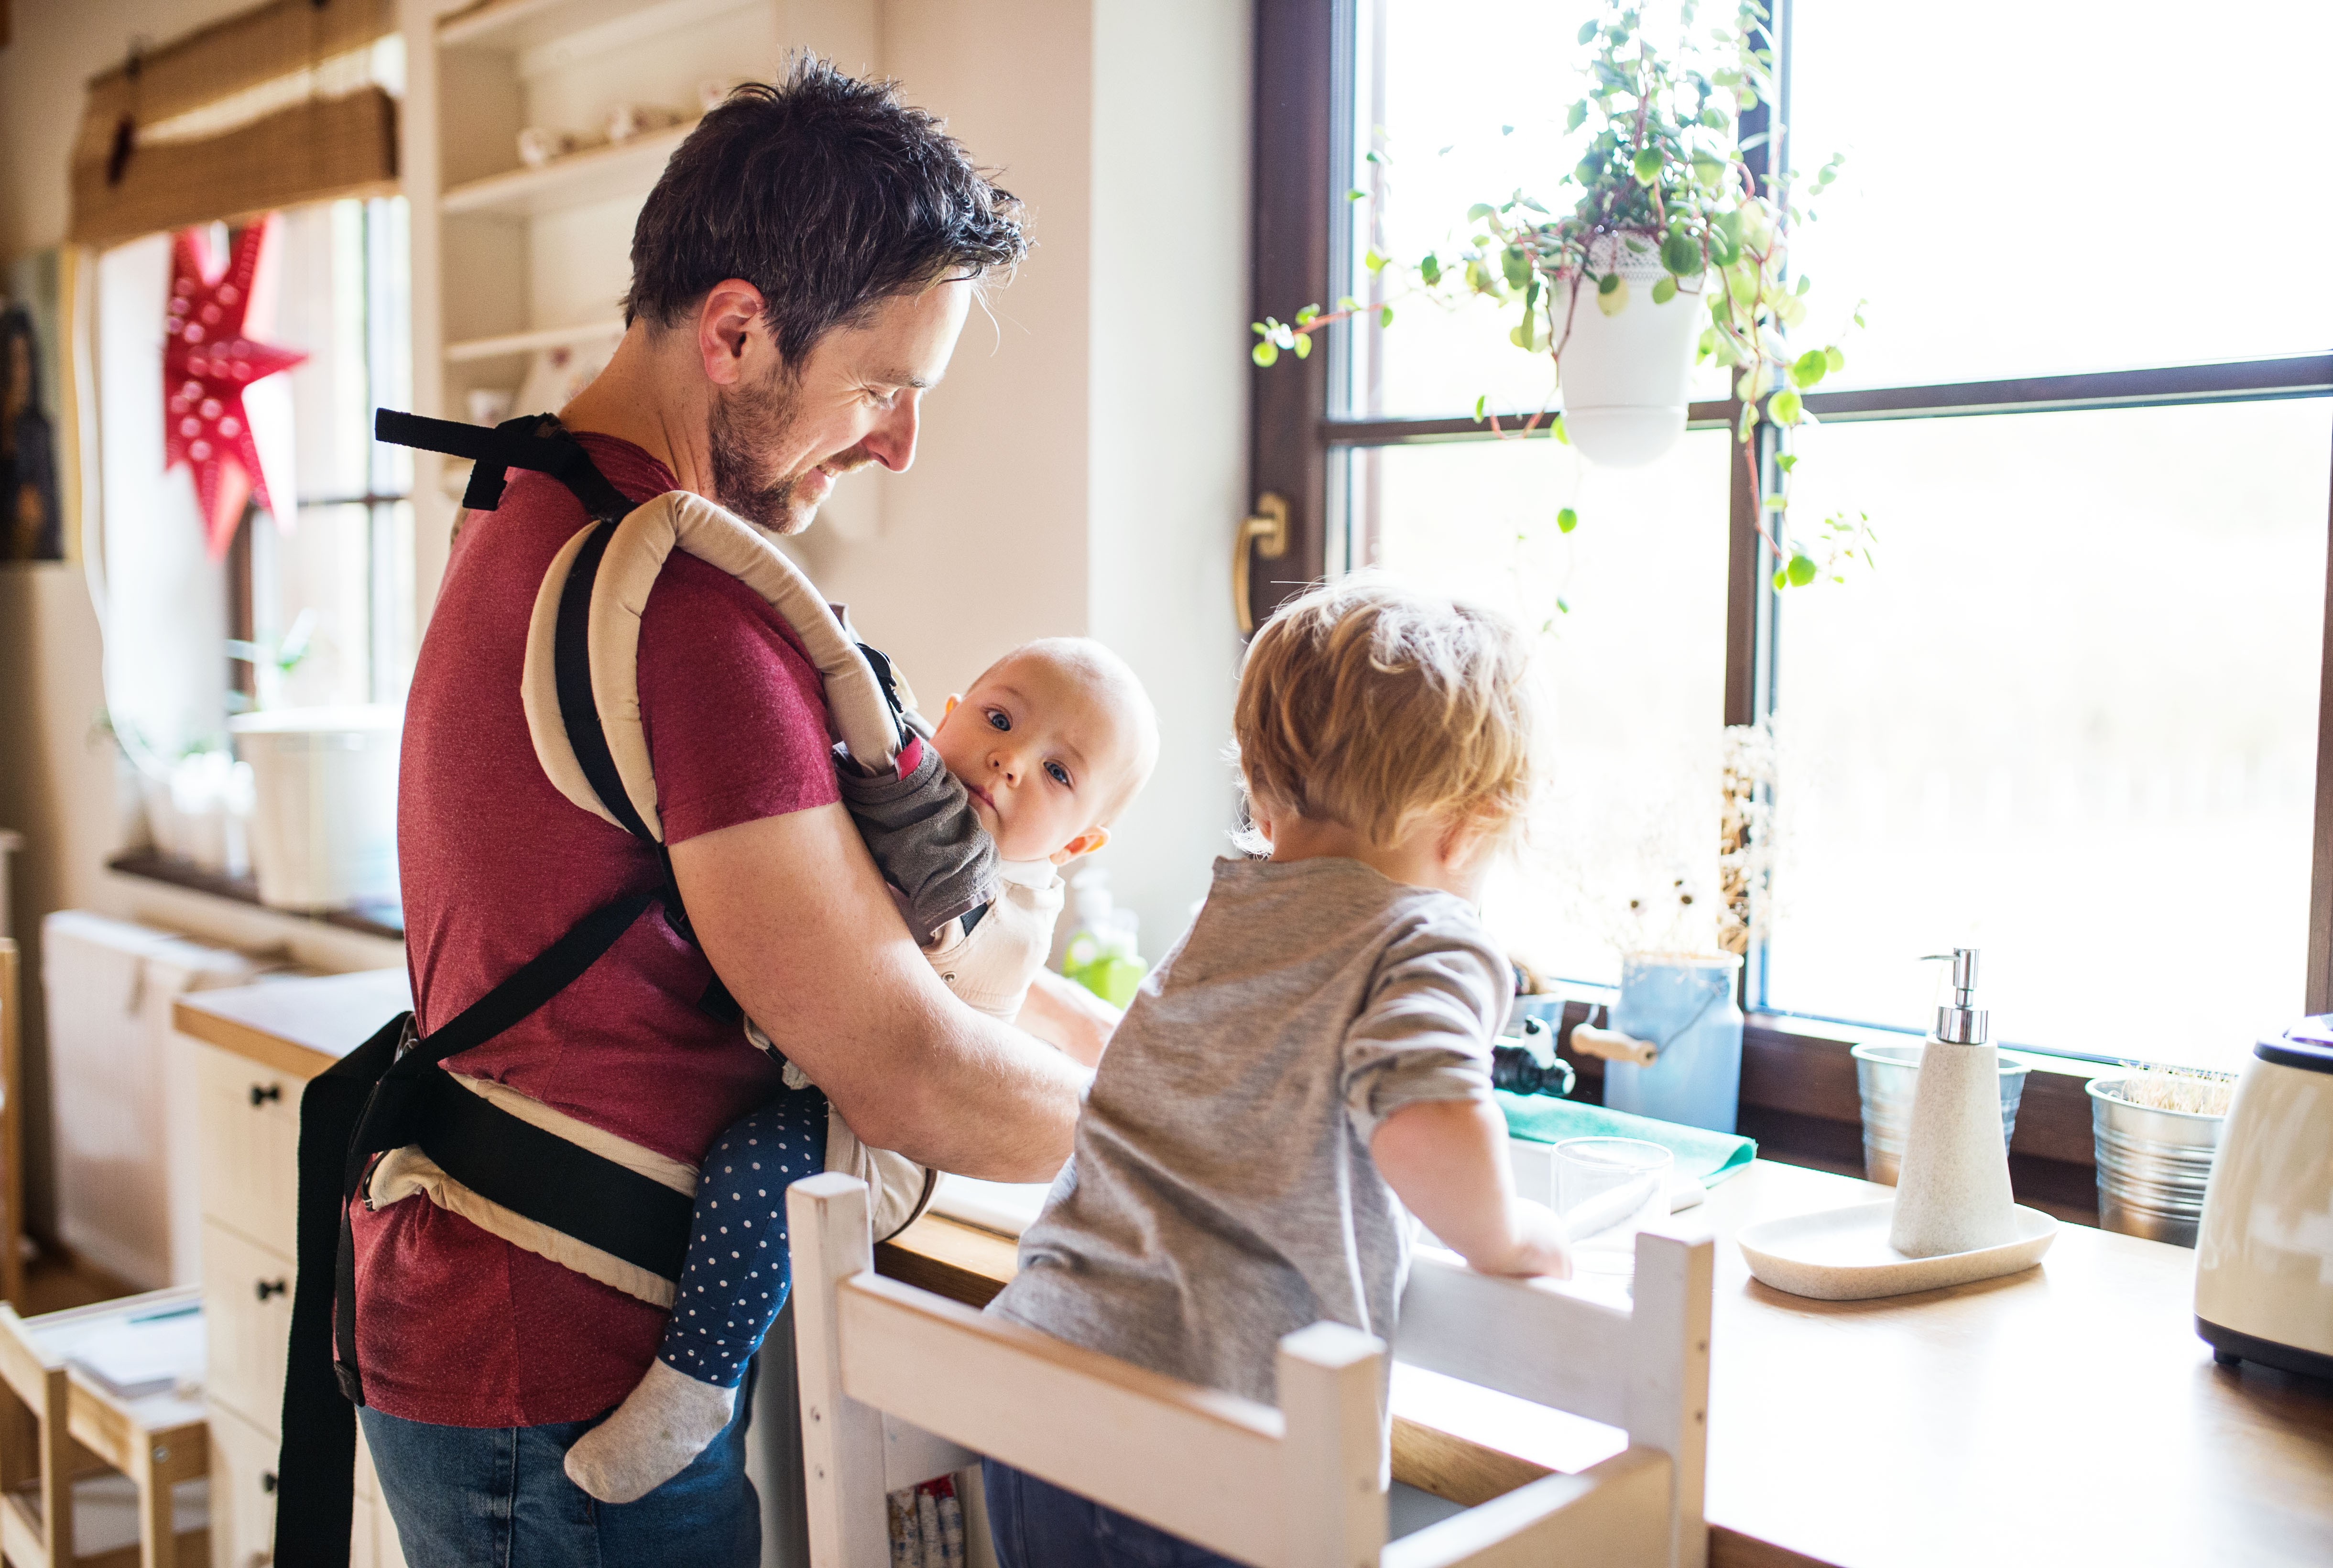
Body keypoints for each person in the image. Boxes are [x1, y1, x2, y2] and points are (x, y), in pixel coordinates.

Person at [365, 61, 1107, 1566]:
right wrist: (1202, 1149)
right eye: (885, 386)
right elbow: (905, 1069)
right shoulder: (689, 615)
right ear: (736, 330)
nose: (899, 441)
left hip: (486, 1331)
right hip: (560, 1378)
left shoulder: (534, 494)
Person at [980, 580, 1574, 1568]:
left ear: (1259, 787)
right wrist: (1510, 1232)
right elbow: (1422, 1118)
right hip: (1199, 1431)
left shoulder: (1235, 906)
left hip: (1034, 1381)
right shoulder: (1433, 937)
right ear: (1469, 827)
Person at [562, 637, 1159, 1503]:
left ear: (1080, 843)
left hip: (884, 1146)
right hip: (815, 1074)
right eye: (999, 720)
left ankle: (696, 1387)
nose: (1011, 761)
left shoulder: (1011, 901)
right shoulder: (918, 805)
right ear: (947, 716)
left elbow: (948, 946)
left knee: (754, 1169)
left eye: (1059, 774)